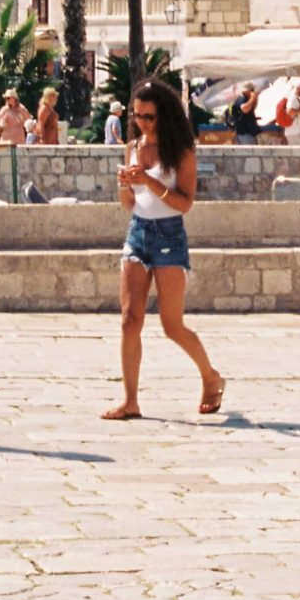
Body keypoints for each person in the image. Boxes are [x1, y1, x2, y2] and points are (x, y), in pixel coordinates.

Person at [104, 78, 226, 420]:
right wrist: (125, 186)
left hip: (170, 237)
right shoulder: (132, 146)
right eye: (137, 115)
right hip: (138, 232)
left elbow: (185, 203)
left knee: (172, 325)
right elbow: (129, 204)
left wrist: (150, 181)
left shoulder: (182, 151)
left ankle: (210, 376)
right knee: (130, 320)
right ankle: (130, 400)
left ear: (165, 115)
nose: (142, 122)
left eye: (149, 116)